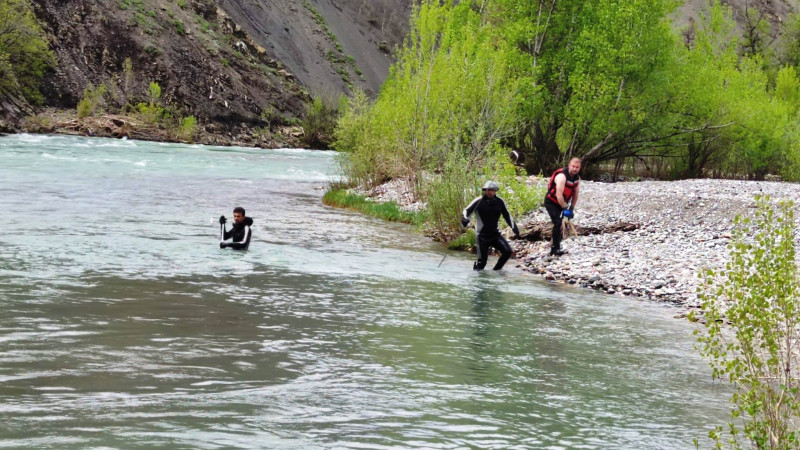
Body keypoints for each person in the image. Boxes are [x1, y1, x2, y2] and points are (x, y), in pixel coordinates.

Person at [461, 181, 520, 271]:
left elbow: (507, 215)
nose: (489, 192)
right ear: (484, 191)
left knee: (507, 252)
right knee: (482, 262)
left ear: (495, 191)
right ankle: (477, 279)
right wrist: (465, 219)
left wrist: (514, 228)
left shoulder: (500, 202)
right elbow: (466, 211)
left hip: (495, 235)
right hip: (481, 236)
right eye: (487, 190)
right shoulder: (478, 201)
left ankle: (496, 271)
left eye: (492, 190)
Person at [544, 157, 581, 256]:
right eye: (573, 166)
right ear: (569, 165)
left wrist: (571, 208)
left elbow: (575, 194)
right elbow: (559, 194)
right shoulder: (562, 176)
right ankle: (554, 249)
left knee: (561, 225)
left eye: (577, 167)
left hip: (562, 203)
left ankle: (556, 244)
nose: (575, 169)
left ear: (579, 168)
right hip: (551, 202)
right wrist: (565, 209)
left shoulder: (577, 179)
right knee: (558, 223)